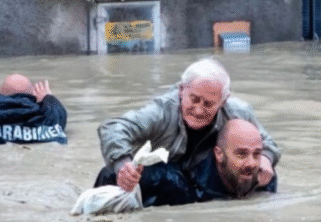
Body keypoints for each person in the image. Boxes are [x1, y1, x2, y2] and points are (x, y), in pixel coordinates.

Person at [94, 57, 280, 196]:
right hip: (166, 176)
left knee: (263, 176)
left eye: (208, 104)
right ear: (182, 90)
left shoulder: (239, 112)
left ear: (223, 101)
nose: (198, 110)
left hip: (203, 176)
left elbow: (268, 143)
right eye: (194, 99)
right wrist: (123, 166)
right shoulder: (162, 111)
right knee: (166, 179)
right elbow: (113, 127)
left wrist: (265, 158)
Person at [135, 119, 277, 206]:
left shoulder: (265, 177)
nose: (252, 163)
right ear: (219, 154)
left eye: (257, 154)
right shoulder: (179, 184)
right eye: (241, 154)